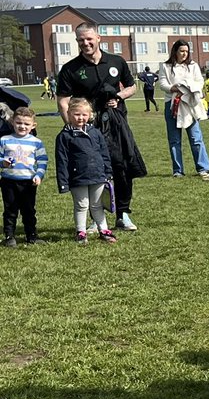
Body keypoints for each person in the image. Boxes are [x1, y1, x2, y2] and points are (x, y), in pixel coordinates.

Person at [56, 21, 145, 231]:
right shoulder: (71, 69)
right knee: (94, 172)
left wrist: (119, 96)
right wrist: (72, 126)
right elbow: (62, 100)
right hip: (89, 128)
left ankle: (123, 214)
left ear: (98, 38)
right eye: (81, 40)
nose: (85, 43)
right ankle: (98, 219)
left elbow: (132, 87)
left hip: (115, 125)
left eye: (89, 39)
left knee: (122, 168)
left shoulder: (116, 61)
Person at [55, 97, 116, 244]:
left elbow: (104, 153)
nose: (80, 117)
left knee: (97, 205)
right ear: (69, 114)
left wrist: (107, 172)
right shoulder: (64, 136)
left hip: (97, 176)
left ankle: (104, 230)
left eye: (84, 114)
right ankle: (81, 231)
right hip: (78, 178)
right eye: (77, 114)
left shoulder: (95, 132)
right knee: (81, 205)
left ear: (90, 115)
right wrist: (63, 182)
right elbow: (62, 161)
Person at [157, 41, 209, 180]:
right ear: (175, 51)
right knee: (174, 139)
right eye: (182, 51)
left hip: (189, 104)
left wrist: (189, 88)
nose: (184, 54)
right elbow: (163, 83)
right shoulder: (165, 66)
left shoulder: (193, 66)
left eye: (186, 51)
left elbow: (200, 81)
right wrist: (175, 88)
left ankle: (203, 168)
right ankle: (178, 170)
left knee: (196, 137)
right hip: (172, 104)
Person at [2, 106, 49, 246]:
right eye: (19, 123)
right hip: (8, 181)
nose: (22, 126)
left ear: (33, 125)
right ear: (12, 122)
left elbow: (42, 161)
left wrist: (39, 175)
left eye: (26, 124)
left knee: (28, 210)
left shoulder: (36, 142)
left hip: (28, 182)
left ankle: (31, 235)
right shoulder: (5, 140)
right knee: (10, 210)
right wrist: (3, 163)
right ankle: (9, 236)